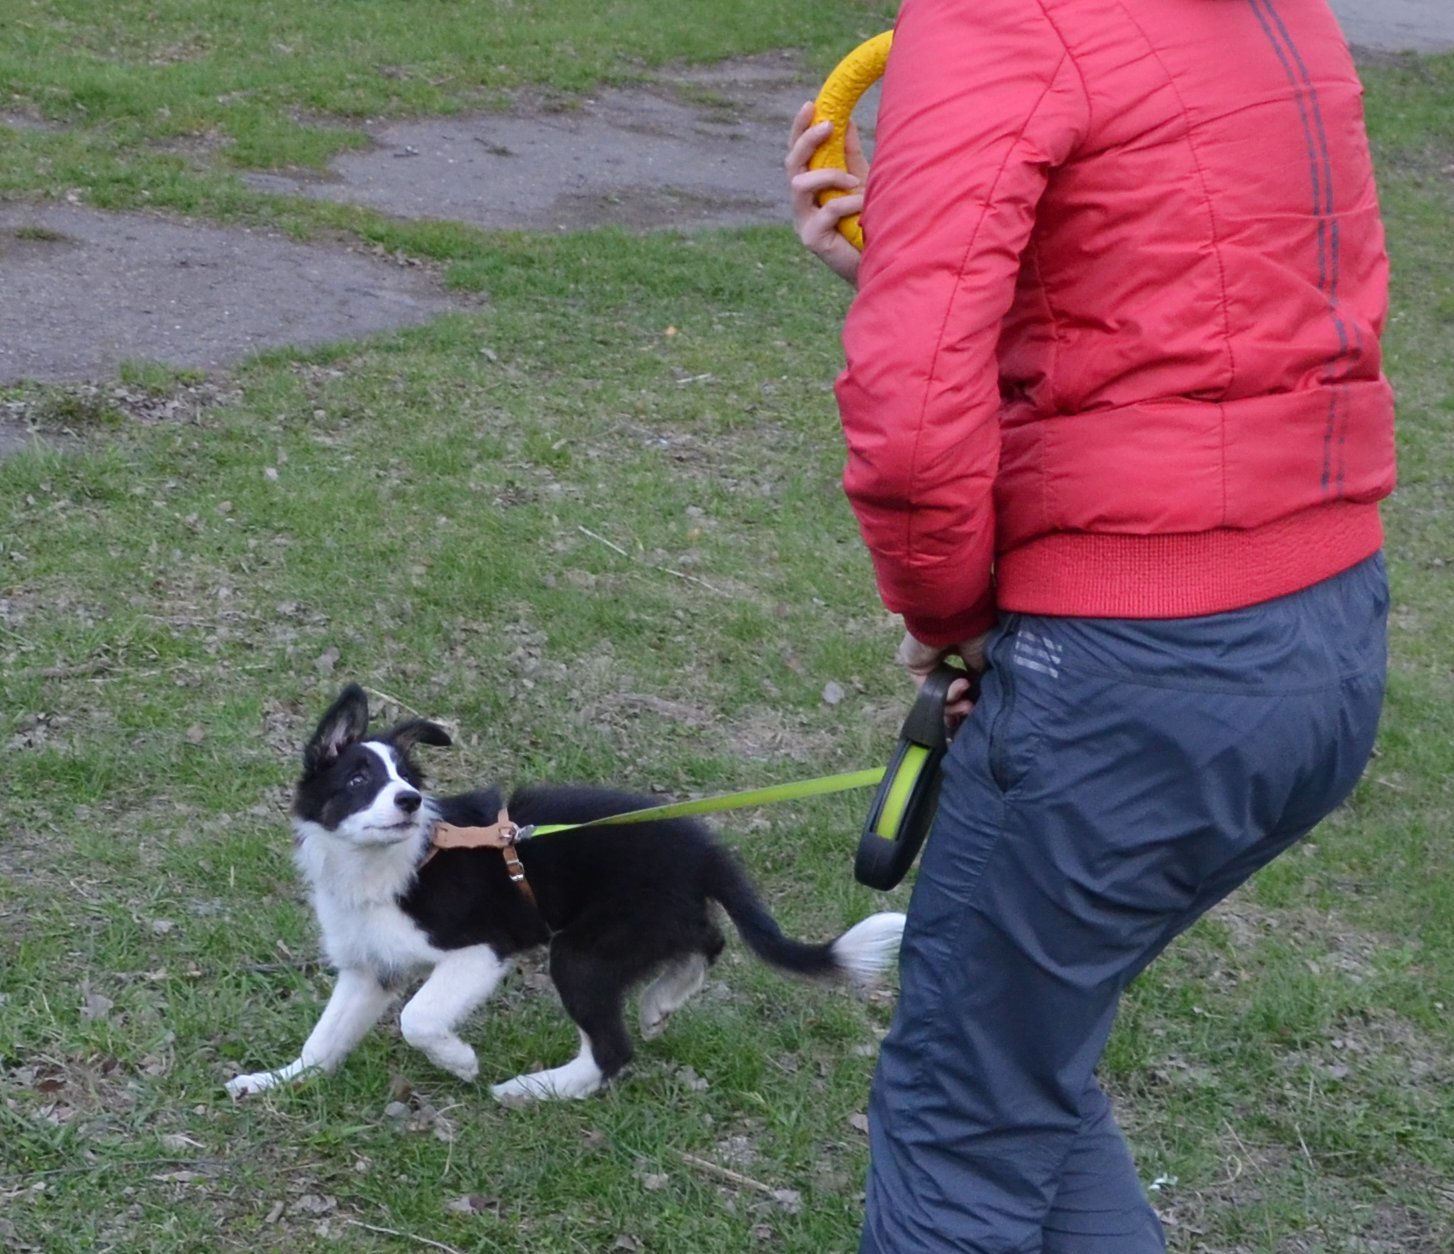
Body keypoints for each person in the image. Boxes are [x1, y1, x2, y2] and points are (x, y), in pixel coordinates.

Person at [785, 0, 1394, 1250]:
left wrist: (950, 617)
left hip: (1138, 669)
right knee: (1018, 1072)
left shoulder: (994, 16)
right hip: (1321, 642)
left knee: (963, 1112)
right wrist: (920, 271)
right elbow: (1199, 314)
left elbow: (906, 435)